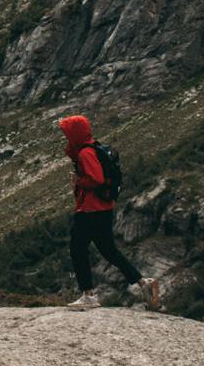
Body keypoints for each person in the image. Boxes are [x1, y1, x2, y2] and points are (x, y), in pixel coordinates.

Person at [59, 113, 149, 307]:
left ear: (75, 134)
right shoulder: (93, 147)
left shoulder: (85, 153)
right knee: (109, 250)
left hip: (90, 209)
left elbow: (97, 179)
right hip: (103, 208)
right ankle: (144, 283)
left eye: (68, 132)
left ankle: (88, 295)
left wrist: (78, 181)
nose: (66, 136)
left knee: (77, 248)